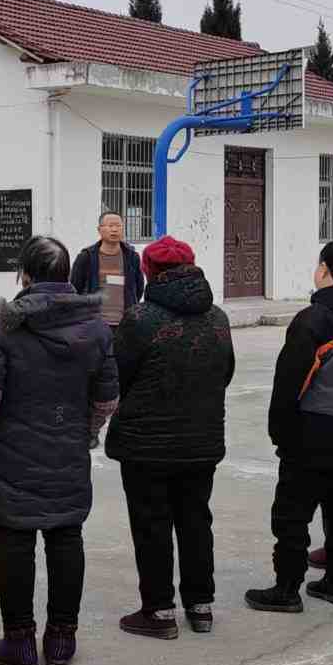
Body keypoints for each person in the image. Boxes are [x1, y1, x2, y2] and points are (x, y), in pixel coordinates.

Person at [0, 236, 118, 665]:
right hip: (67, 449)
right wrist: (84, 433)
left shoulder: (5, 326)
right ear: (67, 275)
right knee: (66, 536)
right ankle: (62, 640)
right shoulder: (96, 328)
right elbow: (107, 398)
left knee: (15, 540)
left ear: (25, 276)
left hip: (10, 454)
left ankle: (20, 643)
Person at [107, 236, 234, 639]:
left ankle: (159, 610)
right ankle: (201, 605)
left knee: (151, 524)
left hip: (146, 443)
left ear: (148, 271)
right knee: (196, 520)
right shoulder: (217, 318)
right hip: (201, 439)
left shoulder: (139, 319)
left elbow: (117, 377)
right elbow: (225, 372)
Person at [248, 239, 333, 614]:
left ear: (324, 270)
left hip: (312, 432)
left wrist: (281, 433)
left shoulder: (315, 319)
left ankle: (287, 588)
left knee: (292, 514)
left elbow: (290, 383)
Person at [70, 211, 146, 327]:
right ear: (99, 230)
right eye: (110, 226)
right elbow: (75, 288)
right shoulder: (86, 257)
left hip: (125, 324)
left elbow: (138, 288)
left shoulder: (132, 257)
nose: (114, 230)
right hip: (94, 324)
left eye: (118, 226)